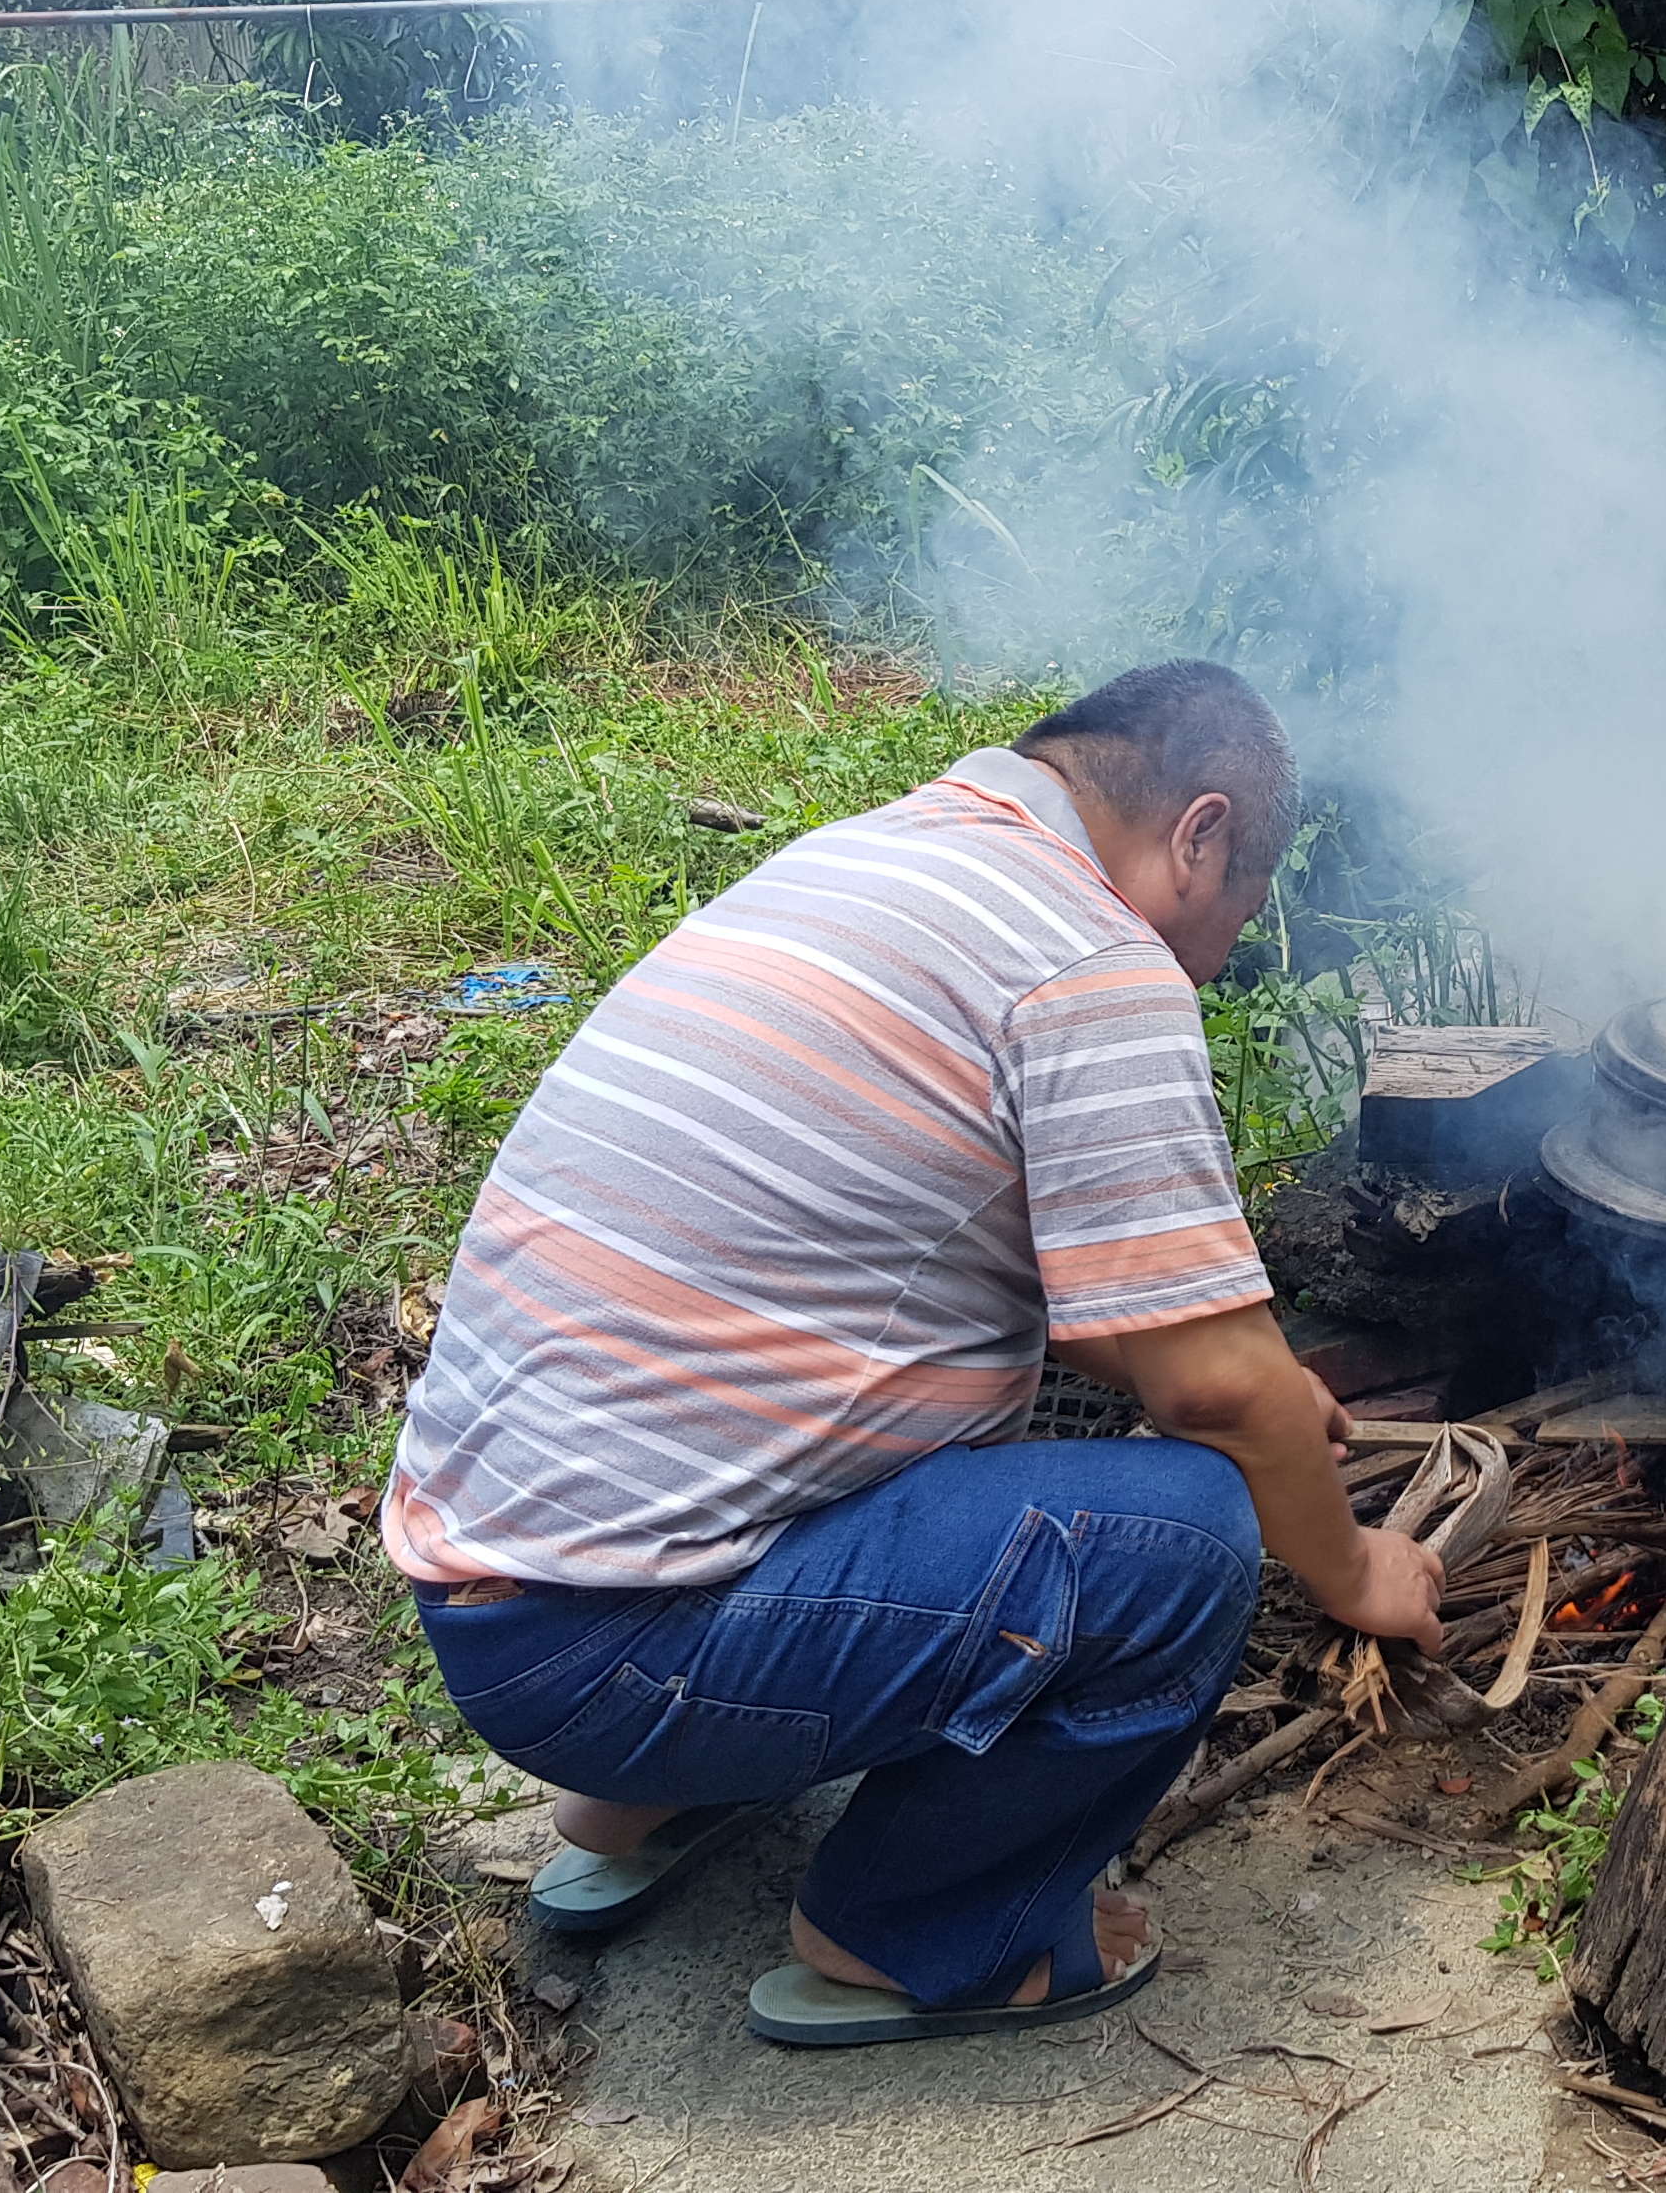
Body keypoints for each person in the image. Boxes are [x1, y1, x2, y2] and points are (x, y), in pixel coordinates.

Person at [380, 660, 1447, 2047]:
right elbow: (1208, 1391)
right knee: (1192, 1532)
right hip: (613, 1654)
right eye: (1233, 923)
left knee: (1060, 1423)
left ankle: (640, 1806)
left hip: (504, 1602)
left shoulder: (872, 859)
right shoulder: (1087, 954)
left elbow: (1088, 1303)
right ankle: (913, 1932)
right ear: (1200, 832)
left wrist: (1234, 1365)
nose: (1215, 965)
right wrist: (1355, 1563)